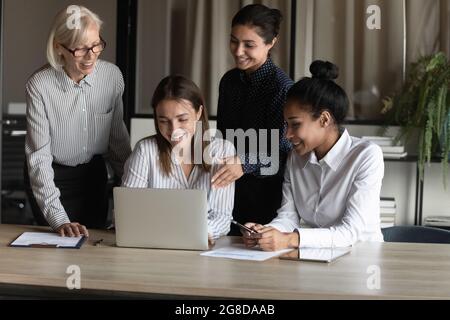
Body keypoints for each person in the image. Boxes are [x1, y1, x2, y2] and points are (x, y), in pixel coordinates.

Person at [242, 60, 385, 250]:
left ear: (324, 119)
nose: (287, 135)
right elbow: (288, 216)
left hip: (362, 258)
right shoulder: (296, 158)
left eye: (295, 124)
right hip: (318, 256)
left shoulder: (366, 156)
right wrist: (266, 231)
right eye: (286, 124)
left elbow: (349, 232)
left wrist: (289, 240)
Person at [25, 5, 131, 237]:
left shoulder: (112, 77)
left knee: (94, 244)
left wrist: (137, 194)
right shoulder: (39, 86)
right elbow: (39, 158)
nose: (91, 56)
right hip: (51, 177)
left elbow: (118, 143)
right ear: (59, 48)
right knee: (57, 249)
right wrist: (59, 218)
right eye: (80, 49)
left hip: (92, 176)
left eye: (96, 45)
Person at [122, 75, 235, 242]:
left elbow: (222, 217)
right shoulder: (145, 151)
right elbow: (128, 211)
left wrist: (200, 233)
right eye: (164, 121)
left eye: (182, 119)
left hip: (203, 248)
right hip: (152, 247)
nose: (174, 130)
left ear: (198, 113)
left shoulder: (222, 151)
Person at [213, 4, 294, 235]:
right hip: (227, 188)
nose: (238, 51)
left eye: (249, 45)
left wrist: (244, 162)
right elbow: (223, 135)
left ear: (271, 43)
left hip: (268, 190)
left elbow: (281, 149)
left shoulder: (282, 87)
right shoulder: (229, 81)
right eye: (233, 41)